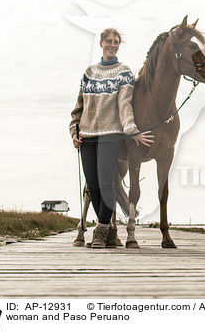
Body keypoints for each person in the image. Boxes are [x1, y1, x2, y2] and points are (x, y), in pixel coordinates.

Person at [69, 28, 153, 248]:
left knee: (107, 182)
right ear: (101, 43)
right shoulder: (89, 72)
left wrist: (132, 130)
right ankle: (106, 230)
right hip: (87, 136)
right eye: (109, 41)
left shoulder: (124, 72)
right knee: (93, 186)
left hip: (111, 134)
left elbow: (125, 105)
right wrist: (74, 132)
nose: (112, 44)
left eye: (116, 41)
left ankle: (101, 230)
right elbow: (79, 107)